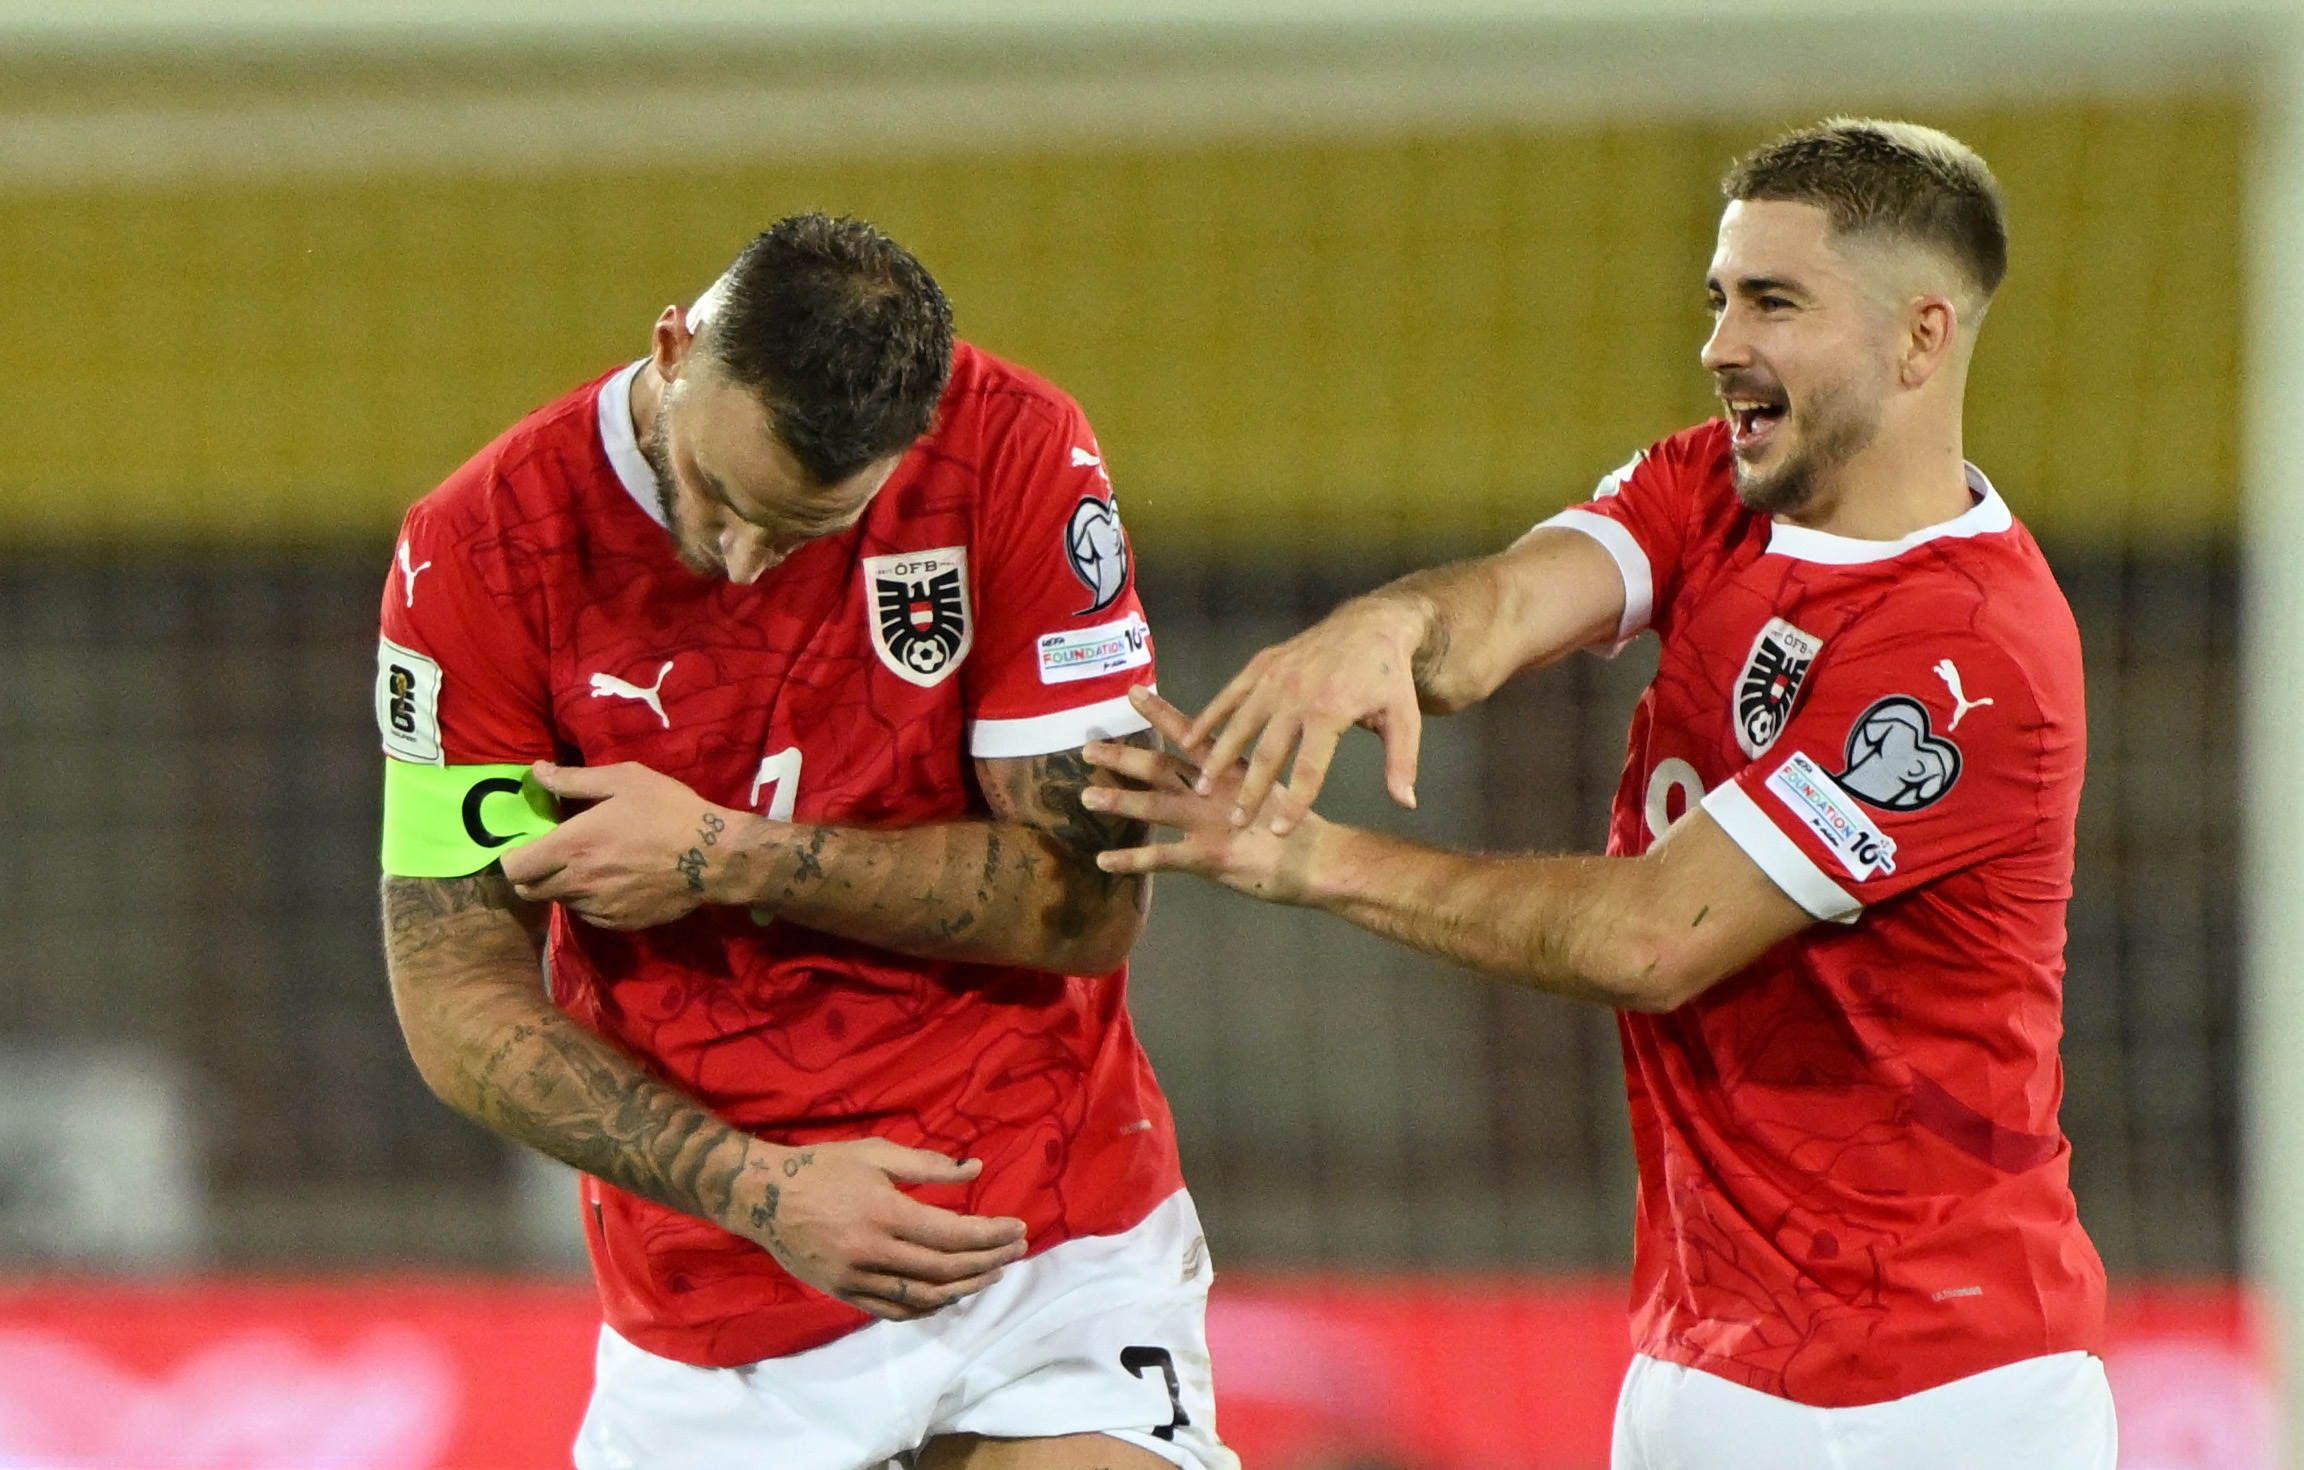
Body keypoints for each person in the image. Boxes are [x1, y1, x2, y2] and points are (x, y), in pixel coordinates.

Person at [1081, 120, 2114, 1469]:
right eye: (1720, 295)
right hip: (1702, 1356)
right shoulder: (1716, 487)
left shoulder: (1971, 656)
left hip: (1935, 1390)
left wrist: (1312, 857)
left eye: (1773, 301)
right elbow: (1506, 607)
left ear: (1921, 339)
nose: (1721, 341)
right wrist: (1380, 632)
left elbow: (1654, 939)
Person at [375, 213, 1233, 1470]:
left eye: (802, 527)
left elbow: (1090, 911)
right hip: (717, 1304)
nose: (738, 556)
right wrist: (752, 1189)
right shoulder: (477, 551)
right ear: (673, 348)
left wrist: (732, 855)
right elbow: (450, 989)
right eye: (717, 496)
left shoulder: (1015, 456)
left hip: (1045, 1240)